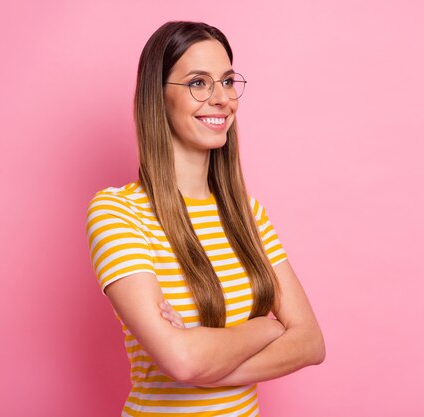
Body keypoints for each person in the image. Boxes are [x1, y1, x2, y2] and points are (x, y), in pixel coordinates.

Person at [85, 21, 325, 416]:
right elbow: (181, 361)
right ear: (158, 98)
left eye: (227, 81)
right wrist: (265, 328)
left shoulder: (248, 214)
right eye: (198, 83)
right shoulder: (118, 212)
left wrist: (208, 362)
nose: (222, 99)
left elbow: (311, 342)